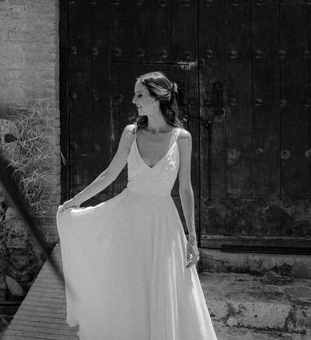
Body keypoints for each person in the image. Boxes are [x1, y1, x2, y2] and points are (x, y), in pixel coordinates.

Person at [56, 71, 217, 340]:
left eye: (139, 94)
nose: (133, 100)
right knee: (130, 287)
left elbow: (185, 188)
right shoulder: (131, 133)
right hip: (128, 219)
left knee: (161, 288)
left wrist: (193, 238)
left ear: (158, 98)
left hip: (163, 225)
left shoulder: (183, 138)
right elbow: (109, 174)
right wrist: (76, 201)